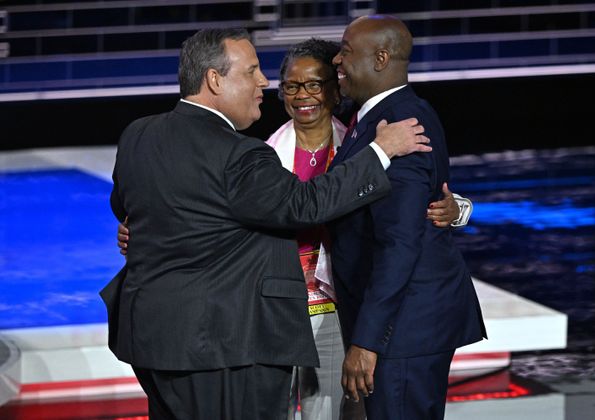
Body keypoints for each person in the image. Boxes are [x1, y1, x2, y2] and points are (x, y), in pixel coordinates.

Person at [101, 27, 430, 420]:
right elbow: (305, 204)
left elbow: (125, 204)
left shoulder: (138, 134)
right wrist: (382, 151)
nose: (263, 82)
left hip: (152, 339)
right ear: (214, 79)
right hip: (223, 344)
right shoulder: (240, 155)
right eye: (252, 71)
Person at [328, 16, 487, 420]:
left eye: (345, 50)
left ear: (381, 58)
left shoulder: (399, 122)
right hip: (406, 324)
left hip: (402, 331)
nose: (337, 60)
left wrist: (368, 342)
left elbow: (399, 241)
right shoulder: (395, 113)